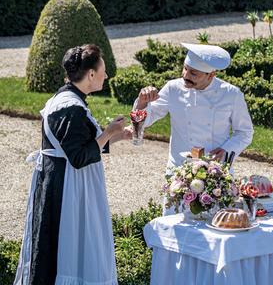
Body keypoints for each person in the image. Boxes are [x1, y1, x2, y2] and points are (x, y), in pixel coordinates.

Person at [15, 44, 131, 285]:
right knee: (68, 245)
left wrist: (122, 135)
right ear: (90, 74)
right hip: (67, 187)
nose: (106, 76)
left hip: (64, 179)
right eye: (103, 70)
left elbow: (81, 141)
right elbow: (79, 156)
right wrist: (108, 132)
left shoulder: (69, 100)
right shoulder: (71, 108)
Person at [134, 43, 254, 174]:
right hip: (179, 169)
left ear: (211, 75)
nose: (185, 76)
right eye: (185, 69)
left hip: (216, 169)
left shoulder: (231, 94)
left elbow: (244, 132)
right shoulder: (173, 88)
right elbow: (143, 123)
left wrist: (226, 151)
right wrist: (142, 103)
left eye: (193, 73)